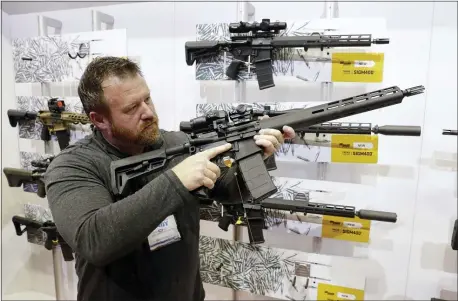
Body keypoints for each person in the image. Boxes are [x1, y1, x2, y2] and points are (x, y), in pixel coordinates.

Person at [44, 56, 295, 301]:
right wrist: (176, 181)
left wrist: (253, 158)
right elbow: (93, 240)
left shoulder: (177, 143)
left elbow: (225, 190)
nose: (148, 112)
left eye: (147, 99)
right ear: (99, 119)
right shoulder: (72, 166)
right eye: (132, 108)